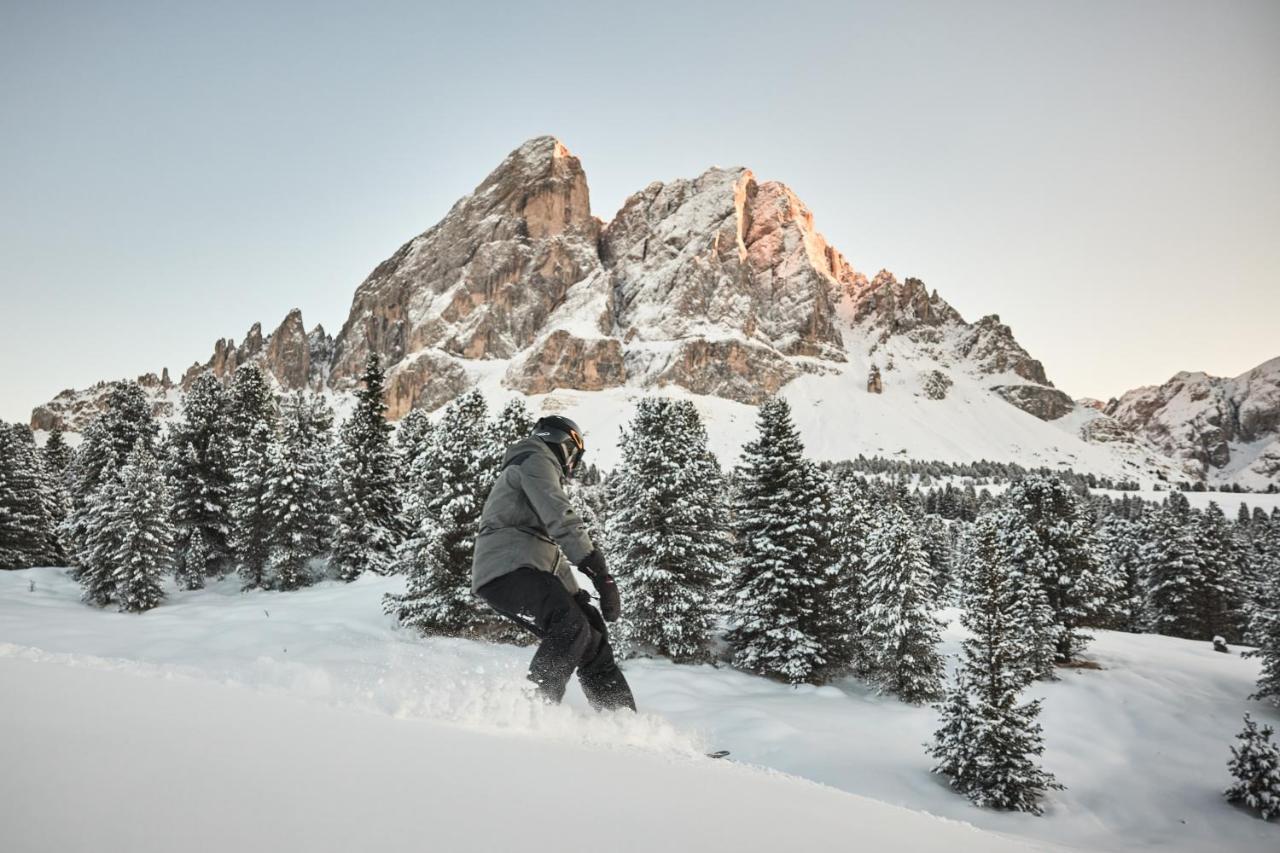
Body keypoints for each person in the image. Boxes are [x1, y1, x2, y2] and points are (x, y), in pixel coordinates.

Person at [471, 414, 636, 712]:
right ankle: (536, 712)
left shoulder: (532, 465)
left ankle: (622, 722)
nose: (573, 467)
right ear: (567, 446)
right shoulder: (534, 459)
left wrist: (576, 595)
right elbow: (561, 519)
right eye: (576, 457)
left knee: (591, 634)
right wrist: (600, 574)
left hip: (524, 568)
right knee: (570, 625)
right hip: (506, 570)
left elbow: (548, 551)